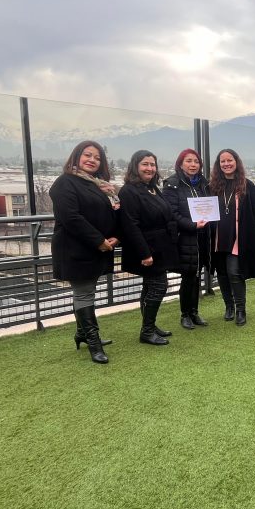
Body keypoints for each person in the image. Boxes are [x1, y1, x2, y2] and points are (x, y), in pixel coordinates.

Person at [50, 140, 120, 364]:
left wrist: (115, 236)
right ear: (76, 156)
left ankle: (81, 333)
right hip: (75, 249)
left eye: (97, 157)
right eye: (87, 155)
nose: (92, 160)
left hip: (96, 248)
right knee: (84, 293)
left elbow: (107, 213)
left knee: (86, 291)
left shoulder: (95, 184)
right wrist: (99, 241)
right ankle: (93, 341)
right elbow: (71, 217)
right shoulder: (64, 183)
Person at [119, 150, 179, 346]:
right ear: (135, 166)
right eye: (145, 164)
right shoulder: (129, 191)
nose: (150, 168)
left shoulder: (152, 188)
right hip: (146, 248)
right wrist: (144, 253)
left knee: (150, 286)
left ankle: (150, 326)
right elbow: (130, 225)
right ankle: (146, 331)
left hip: (160, 246)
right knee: (159, 286)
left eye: (152, 165)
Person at [209, 149, 255, 326]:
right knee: (222, 274)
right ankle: (229, 306)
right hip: (217, 238)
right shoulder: (212, 186)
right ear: (218, 165)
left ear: (236, 162)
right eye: (222, 161)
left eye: (229, 160)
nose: (226, 164)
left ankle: (240, 309)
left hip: (238, 238)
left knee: (234, 273)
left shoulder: (247, 185)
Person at [162, 149, 211, 330]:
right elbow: (171, 213)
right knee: (188, 276)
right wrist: (192, 225)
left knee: (197, 275)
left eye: (196, 161)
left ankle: (194, 312)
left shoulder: (203, 184)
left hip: (203, 237)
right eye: (188, 161)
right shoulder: (172, 184)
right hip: (185, 237)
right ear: (181, 164)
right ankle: (185, 314)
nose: (193, 165)